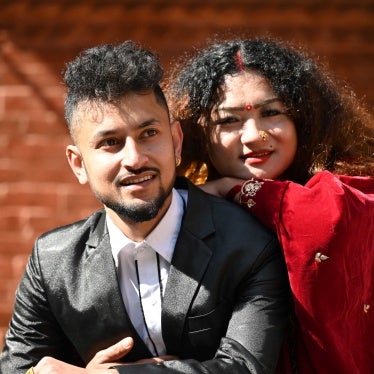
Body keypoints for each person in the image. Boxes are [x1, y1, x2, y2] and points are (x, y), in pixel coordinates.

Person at [0, 41, 291, 374]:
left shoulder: (248, 244)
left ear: (176, 142)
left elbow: (246, 369)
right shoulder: (53, 261)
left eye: (149, 133)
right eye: (110, 142)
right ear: (78, 163)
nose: (135, 159)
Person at [164, 38, 374, 374]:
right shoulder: (186, 209)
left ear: (305, 119)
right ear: (198, 134)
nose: (253, 135)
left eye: (272, 113)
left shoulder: (353, 188)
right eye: (228, 121)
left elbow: (324, 220)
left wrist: (240, 190)